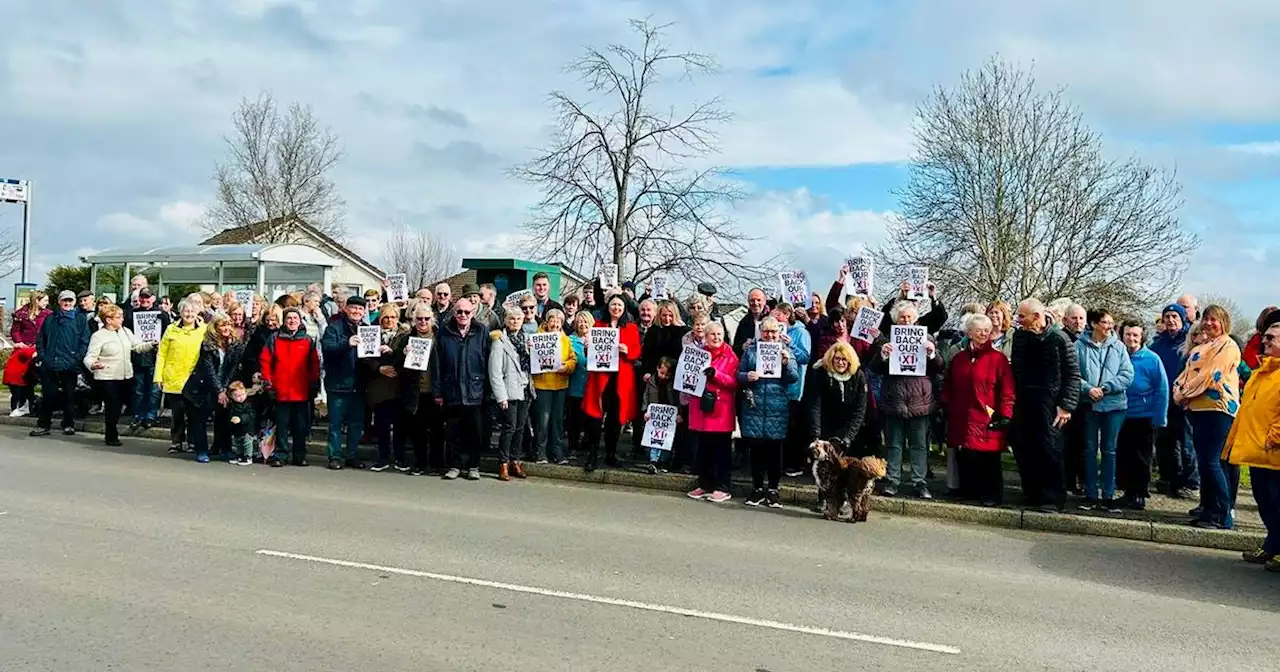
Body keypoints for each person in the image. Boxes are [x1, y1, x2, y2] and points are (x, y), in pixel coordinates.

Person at [1173, 304, 1242, 529]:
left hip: (1219, 408)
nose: (1210, 323)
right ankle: (1209, 510)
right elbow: (1185, 373)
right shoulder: (1202, 346)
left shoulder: (1228, 346)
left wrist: (1185, 393)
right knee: (1205, 462)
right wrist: (1178, 391)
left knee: (1213, 461)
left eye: (1215, 320)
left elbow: (1211, 376)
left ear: (1224, 323)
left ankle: (1223, 514)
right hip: (1198, 409)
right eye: (1207, 319)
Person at [1010, 298, 1081, 513]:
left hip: (1050, 402)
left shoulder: (1059, 339)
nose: (1018, 320)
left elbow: (1072, 375)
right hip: (1025, 400)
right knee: (1024, 446)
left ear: (1037, 316)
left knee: (1050, 449)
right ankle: (1031, 492)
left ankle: (1052, 497)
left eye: (1022, 316)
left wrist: (1066, 406)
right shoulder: (1020, 337)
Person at [867, 301, 942, 499]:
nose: (906, 320)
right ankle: (893, 480)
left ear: (916, 318)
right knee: (894, 443)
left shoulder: (927, 338)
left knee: (919, 445)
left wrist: (932, 354)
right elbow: (874, 368)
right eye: (902, 317)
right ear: (895, 320)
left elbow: (939, 366)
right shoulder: (888, 340)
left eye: (909, 317)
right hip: (894, 400)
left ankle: (920, 481)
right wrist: (883, 355)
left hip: (920, 401)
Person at [1224, 317, 1280, 571]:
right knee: (1264, 500)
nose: (1263, 341)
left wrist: (1274, 438)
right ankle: (1272, 544)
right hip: (1256, 450)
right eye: (1265, 337)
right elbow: (1247, 409)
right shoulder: (1261, 372)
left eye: (1270, 338)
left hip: (1274, 451)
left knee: (1277, 500)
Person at [942, 313, 1014, 506]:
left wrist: (1006, 414)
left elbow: (1007, 390)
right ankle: (968, 490)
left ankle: (991, 494)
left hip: (987, 414)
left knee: (989, 458)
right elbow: (949, 384)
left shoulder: (998, 359)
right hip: (961, 414)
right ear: (969, 332)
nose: (983, 334)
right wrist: (945, 404)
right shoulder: (959, 358)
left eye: (987, 331)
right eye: (979, 330)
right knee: (966, 453)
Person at [1074, 308, 1134, 512]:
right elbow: (1072, 373)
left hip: (1114, 405)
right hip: (1088, 405)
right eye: (1105, 322)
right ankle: (1090, 494)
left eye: (1111, 322)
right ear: (1093, 324)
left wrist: (1106, 388)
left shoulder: (1118, 347)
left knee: (1110, 451)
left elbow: (1127, 375)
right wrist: (1088, 388)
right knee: (1089, 450)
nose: (1109, 326)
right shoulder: (1078, 346)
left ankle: (1108, 495)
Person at [737, 317, 799, 508]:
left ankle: (773, 489)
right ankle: (756, 489)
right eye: (766, 331)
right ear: (760, 332)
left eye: (773, 331)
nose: (770, 335)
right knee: (756, 452)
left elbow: (793, 377)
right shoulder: (751, 351)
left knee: (774, 452)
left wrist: (787, 362)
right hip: (754, 408)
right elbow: (738, 374)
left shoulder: (786, 352)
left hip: (776, 409)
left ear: (779, 333)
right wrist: (747, 376)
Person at [581, 295, 643, 472]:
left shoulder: (630, 328)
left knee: (615, 420)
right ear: (608, 307)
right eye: (613, 304)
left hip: (621, 380)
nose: (616, 307)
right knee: (595, 418)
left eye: (620, 305)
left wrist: (627, 350)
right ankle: (592, 455)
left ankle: (611, 453)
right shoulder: (598, 326)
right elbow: (590, 353)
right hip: (600, 379)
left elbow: (637, 352)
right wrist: (587, 345)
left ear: (624, 308)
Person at [435, 297, 488, 481]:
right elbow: (437, 364)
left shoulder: (481, 331)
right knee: (452, 432)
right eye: (459, 312)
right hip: (452, 390)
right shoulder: (444, 332)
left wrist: (487, 391)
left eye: (467, 312)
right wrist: (438, 392)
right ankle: (454, 465)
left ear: (473, 313)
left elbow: (487, 361)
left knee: (475, 432)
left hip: (475, 391)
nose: (463, 315)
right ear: (454, 313)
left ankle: (473, 466)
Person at [259, 307, 321, 467]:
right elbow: (265, 361)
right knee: (282, 426)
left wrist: (314, 384)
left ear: (300, 321)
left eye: (295, 318)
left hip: (301, 391)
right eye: (289, 318)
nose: (292, 321)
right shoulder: (274, 338)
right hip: (280, 391)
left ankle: (300, 456)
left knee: (300, 427)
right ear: (284, 321)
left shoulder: (307, 341)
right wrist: (267, 383)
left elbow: (314, 364)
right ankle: (280, 455)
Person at [685, 322, 739, 503]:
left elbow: (734, 383)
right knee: (704, 450)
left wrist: (715, 374)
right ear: (705, 337)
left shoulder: (730, 356)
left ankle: (722, 486)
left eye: (719, 334)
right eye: (712, 334)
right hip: (701, 407)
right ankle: (705, 484)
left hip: (720, 409)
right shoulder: (698, 354)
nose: (716, 337)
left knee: (721, 450)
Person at [1118, 320, 1168, 510]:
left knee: (1141, 457)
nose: (1131, 338)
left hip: (1144, 415)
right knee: (1124, 455)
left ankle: (1139, 494)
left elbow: (1162, 389)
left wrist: (1159, 417)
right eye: (1128, 334)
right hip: (1121, 413)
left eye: (1135, 335)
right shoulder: (1118, 356)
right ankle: (1127, 492)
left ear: (1142, 338)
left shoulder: (1152, 359)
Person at [1150, 303, 1198, 497]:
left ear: (1182, 319)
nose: (1170, 320)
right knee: (1165, 442)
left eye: (1174, 317)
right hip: (1164, 400)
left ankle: (1191, 482)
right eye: (1167, 317)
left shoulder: (1188, 342)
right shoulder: (1157, 344)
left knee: (1187, 442)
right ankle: (1169, 477)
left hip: (1184, 400)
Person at [182, 315, 244, 463]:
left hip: (223, 385)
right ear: (215, 328)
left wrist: (225, 389)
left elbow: (232, 368)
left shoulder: (235, 344)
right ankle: (202, 450)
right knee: (200, 419)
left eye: (229, 325)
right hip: (203, 386)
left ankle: (225, 449)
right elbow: (208, 370)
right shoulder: (207, 345)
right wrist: (219, 391)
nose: (227, 328)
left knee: (223, 419)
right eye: (223, 326)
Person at [29, 291, 92, 438]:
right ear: (59, 302)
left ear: (74, 302)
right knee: (48, 396)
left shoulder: (80, 319)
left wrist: (76, 358)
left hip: (70, 365)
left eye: (70, 301)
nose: (67, 303)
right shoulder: (50, 319)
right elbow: (40, 340)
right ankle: (43, 424)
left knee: (69, 396)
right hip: (50, 364)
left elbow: (85, 341)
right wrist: (44, 357)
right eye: (65, 301)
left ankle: (68, 424)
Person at [320, 296, 371, 470]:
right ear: (346, 309)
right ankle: (335, 456)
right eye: (353, 308)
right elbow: (327, 349)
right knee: (336, 423)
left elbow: (371, 359)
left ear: (364, 312)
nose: (357, 312)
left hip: (359, 385)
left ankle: (352, 455)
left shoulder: (368, 329)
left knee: (356, 424)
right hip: (338, 384)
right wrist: (346, 343)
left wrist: (381, 351)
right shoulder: (334, 328)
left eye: (360, 309)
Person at [83, 304, 144, 446]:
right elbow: (89, 357)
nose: (122, 319)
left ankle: (115, 429)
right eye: (119, 317)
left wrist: (152, 345)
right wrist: (93, 365)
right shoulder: (99, 336)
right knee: (113, 406)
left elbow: (137, 346)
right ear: (108, 320)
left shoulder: (126, 331)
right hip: (107, 377)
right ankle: (111, 435)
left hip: (125, 375)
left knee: (127, 404)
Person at [391, 302, 442, 475]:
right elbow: (396, 365)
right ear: (414, 320)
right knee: (418, 430)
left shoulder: (439, 338)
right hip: (415, 392)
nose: (423, 322)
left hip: (435, 391)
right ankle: (420, 463)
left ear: (432, 320)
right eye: (419, 319)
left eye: (426, 318)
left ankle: (435, 465)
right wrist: (403, 354)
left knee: (436, 430)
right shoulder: (406, 339)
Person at [489, 306, 534, 481]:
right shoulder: (499, 341)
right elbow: (495, 371)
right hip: (509, 390)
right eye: (511, 319)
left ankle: (516, 460)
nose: (515, 322)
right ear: (506, 321)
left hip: (524, 388)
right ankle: (503, 463)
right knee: (509, 427)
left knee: (520, 428)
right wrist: (501, 396)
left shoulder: (525, 340)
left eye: (518, 319)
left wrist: (531, 352)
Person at [807, 341, 869, 464]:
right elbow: (815, 405)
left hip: (849, 425)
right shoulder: (821, 374)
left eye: (844, 359)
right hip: (826, 423)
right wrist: (816, 434)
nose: (840, 363)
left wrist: (848, 437)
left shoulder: (859, 376)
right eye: (837, 359)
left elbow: (860, 410)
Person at [367, 306, 410, 472]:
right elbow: (366, 358)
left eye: (393, 317)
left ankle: (400, 458)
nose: (389, 320)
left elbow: (407, 357)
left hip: (399, 386)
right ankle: (383, 458)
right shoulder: (372, 334)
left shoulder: (405, 335)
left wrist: (394, 352)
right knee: (382, 425)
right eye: (386, 317)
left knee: (400, 427)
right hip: (379, 387)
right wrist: (379, 368)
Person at [773, 303, 813, 477]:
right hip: (775, 386)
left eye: (778, 315)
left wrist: (791, 346)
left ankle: (793, 464)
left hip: (794, 387)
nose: (775, 318)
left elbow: (805, 357)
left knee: (792, 427)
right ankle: (779, 463)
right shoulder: (771, 331)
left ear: (787, 315)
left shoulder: (801, 332)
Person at [532, 309, 576, 465]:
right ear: (547, 321)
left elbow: (573, 359)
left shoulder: (565, 340)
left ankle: (556, 450)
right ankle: (541, 451)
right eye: (552, 320)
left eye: (558, 321)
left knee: (557, 420)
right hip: (542, 385)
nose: (555, 323)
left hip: (560, 385)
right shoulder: (537, 338)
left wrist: (568, 366)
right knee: (542, 421)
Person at [9, 290, 50, 417]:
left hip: (40, 348)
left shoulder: (48, 314)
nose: (47, 304)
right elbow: (15, 331)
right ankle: (21, 402)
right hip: (24, 347)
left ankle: (30, 403)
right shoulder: (21, 314)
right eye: (45, 301)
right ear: (36, 300)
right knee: (13, 373)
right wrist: (19, 342)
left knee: (33, 375)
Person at [641, 356, 680, 474]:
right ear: (657, 368)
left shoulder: (674, 383)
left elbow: (678, 399)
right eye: (661, 373)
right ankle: (653, 461)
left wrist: (679, 413)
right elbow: (646, 396)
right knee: (654, 439)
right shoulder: (652, 381)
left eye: (667, 375)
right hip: (655, 415)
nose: (663, 377)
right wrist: (645, 411)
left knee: (667, 440)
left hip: (669, 416)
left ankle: (664, 461)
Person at [565, 311, 592, 465]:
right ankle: (573, 447)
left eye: (585, 321)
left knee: (589, 420)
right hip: (575, 386)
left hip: (591, 386)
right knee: (573, 419)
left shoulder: (598, 339)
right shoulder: (570, 340)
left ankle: (587, 445)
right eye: (580, 322)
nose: (583, 324)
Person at [225, 382, 257, 466]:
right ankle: (240, 455)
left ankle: (248, 457)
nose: (240, 398)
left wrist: (241, 419)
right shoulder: (232, 405)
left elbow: (251, 415)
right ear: (232, 396)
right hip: (236, 428)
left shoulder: (249, 404)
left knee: (247, 443)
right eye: (237, 396)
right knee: (238, 442)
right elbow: (230, 414)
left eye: (242, 394)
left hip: (247, 428)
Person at [732, 288, 769, 355]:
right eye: (752, 300)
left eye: (758, 300)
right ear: (748, 302)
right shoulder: (743, 323)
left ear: (764, 301)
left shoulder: (772, 319)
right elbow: (735, 348)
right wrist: (742, 347)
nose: (755, 303)